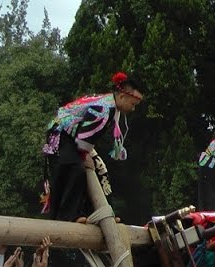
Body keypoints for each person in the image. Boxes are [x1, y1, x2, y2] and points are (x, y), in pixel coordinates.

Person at [41, 72, 147, 222]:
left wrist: (87, 155)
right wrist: (84, 156)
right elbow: (84, 138)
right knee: (74, 168)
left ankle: (98, 213)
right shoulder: (104, 109)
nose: (133, 109)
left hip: (74, 138)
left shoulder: (110, 106)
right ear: (122, 97)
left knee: (100, 170)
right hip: (61, 133)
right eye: (133, 104)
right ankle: (67, 216)